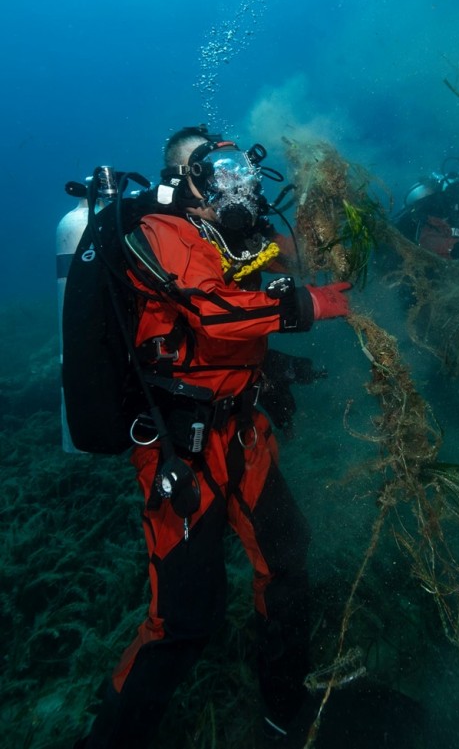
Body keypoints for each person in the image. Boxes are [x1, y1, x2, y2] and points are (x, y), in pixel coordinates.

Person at [75, 125, 351, 748]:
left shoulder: (239, 235)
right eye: (214, 167)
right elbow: (215, 315)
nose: (235, 179)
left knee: (287, 563)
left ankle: (285, 713)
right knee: (184, 619)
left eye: (236, 165)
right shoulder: (160, 233)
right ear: (183, 180)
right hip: (180, 448)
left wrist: (328, 208)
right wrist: (308, 307)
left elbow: (298, 266)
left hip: (244, 432)